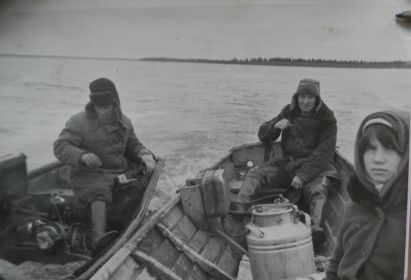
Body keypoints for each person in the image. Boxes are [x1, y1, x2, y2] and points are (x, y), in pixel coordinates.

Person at [54, 78, 156, 250]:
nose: (101, 111)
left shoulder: (125, 121)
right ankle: (98, 240)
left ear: (115, 104)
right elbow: (60, 146)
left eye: (106, 107)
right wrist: (82, 156)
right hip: (89, 175)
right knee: (100, 191)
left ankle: (130, 225)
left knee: (143, 178)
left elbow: (132, 144)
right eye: (98, 107)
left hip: (117, 173)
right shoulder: (78, 122)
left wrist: (144, 154)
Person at [238, 78, 339, 252]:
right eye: (302, 97)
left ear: (317, 99)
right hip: (288, 165)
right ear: (297, 97)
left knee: (317, 191)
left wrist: (303, 175)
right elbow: (263, 135)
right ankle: (238, 213)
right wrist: (274, 127)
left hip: (315, 169)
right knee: (256, 174)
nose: (305, 101)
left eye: (310, 97)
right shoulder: (289, 111)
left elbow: (324, 153)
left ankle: (316, 234)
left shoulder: (327, 119)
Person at [325, 110, 409, 280]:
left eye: (390, 148)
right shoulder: (355, 203)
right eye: (370, 149)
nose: (378, 159)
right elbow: (336, 264)